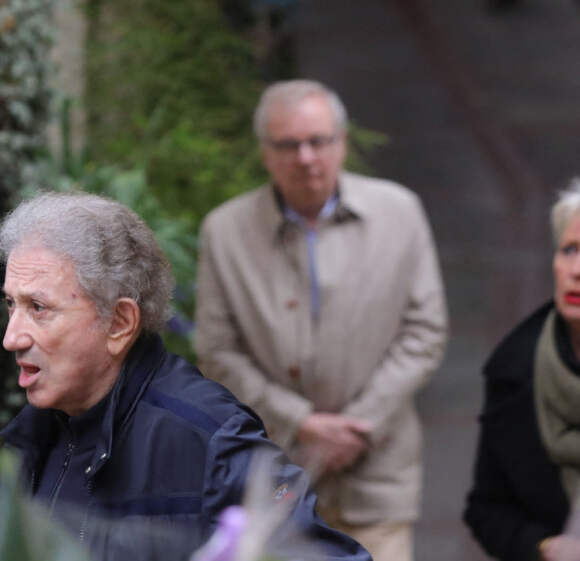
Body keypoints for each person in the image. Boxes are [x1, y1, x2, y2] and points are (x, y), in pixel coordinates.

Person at [0, 191, 372, 561]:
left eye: (38, 307)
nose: (11, 337)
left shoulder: (213, 438)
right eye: (11, 304)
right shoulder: (21, 444)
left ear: (119, 322)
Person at [194, 79, 448, 561]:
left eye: (319, 141)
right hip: (273, 477)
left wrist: (357, 426)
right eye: (288, 145)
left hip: (376, 474)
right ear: (265, 153)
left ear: (342, 142)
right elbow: (217, 352)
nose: (306, 157)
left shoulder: (400, 213)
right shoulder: (225, 232)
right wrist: (303, 423)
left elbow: (425, 331)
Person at [464, 178, 580, 561]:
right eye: (569, 250)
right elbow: (486, 509)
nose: (575, 270)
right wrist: (546, 547)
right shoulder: (515, 369)